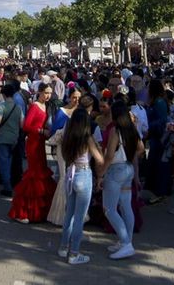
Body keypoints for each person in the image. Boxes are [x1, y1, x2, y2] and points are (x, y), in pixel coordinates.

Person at [57, 109, 105, 265]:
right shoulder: (87, 138)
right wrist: (98, 148)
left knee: (69, 214)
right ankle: (74, 253)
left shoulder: (68, 136)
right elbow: (100, 160)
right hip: (84, 174)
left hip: (71, 174)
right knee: (79, 218)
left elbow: (64, 156)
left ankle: (63, 247)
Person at [98, 103, 145, 259]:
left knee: (109, 209)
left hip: (115, 170)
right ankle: (126, 241)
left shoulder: (115, 130)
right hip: (128, 169)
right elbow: (141, 148)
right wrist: (130, 157)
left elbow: (109, 155)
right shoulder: (132, 129)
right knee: (125, 206)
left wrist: (101, 174)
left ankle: (125, 243)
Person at [8, 82, 58, 224]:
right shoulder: (35, 106)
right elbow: (26, 125)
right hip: (33, 144)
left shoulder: (45, 106)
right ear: (39, 92)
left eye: (50, 93)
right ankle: (22, 211)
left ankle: (38, 211)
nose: (48, 96)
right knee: (33, 176)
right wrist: (41, 131)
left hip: (40, 143)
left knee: (40, 175)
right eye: (46, 93)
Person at [47, 89, 80, 226]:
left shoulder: (80, 112)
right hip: (63, 148)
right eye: (74, 97)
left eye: (78, 98)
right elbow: (54, 132)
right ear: (69, 97)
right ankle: (60, 214)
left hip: (77, 151)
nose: (76, 100)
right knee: (64, 177)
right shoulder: (62, 112)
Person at [0, 83, 23, 197]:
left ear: (4, 94)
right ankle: (11, 183)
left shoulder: (2, 106)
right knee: (10, 162)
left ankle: (7, 187)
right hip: (14, 138)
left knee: (3, 164)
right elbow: (22, 124)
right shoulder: (18, 107)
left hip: (2, 138)